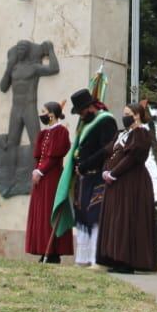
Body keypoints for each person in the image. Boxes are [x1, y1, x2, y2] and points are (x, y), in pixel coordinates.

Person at [97, 101, 157, 273]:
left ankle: (127, 261)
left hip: (132, 182)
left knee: (127, 218)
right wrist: (105, 171)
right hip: (116, 183)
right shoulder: (122, 134)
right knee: (116, 220)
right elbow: (110, 153)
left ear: (137, 115)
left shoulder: (141, 134)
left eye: (127, 113)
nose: (124, 116)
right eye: (123, 113)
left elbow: (132, 158)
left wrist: (114, 173)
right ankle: (115, 258)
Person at [68, 88, 118, 268]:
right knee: (82, 219)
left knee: (95, 218)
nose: (80, 116)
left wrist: (86, 164)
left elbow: (106, 150)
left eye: (81, 111)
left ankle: (97, 259)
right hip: (84, 179)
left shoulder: (106, 121)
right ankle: (82, 258)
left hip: (98, 176)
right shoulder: (85, 124)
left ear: (89, 107)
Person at [25, 101, 72, 262]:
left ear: (51, 114)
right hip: (41, 179)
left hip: (52, 178)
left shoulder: (61, 132)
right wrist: (36, 170)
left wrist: (41, 170)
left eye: (44, 111)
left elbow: (54, 157)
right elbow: (39, 157)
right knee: (40, 212)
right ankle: (42, 248)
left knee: (49, 212)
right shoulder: (43, 134)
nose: (42, 114)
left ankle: (53, 251)